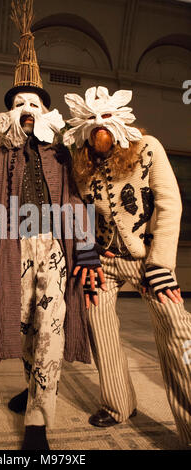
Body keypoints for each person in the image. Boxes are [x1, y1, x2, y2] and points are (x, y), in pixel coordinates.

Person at [0, 0, 107, 450]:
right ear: (11, 113)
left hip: (55, 248)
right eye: (19, 103)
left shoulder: (61, 152)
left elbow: (77, 200)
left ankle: (39, 423)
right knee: (22, 326)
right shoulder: (0, 155)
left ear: (45, 110)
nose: (26, 108)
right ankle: (35, 384)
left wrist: (85, 248)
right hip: (12, 246)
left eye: (33, 103)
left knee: (51, 327)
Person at [63, 85, 191, 447]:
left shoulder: (149, 149)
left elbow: (169, 205)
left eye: (106, 119)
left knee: (179, 333)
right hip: (104, 262)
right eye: (91, 121)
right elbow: (79, 213)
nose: (99, 127)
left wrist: (161, 263)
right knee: (100, 329)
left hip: (147, 259)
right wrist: (87, 256)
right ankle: (118, 404)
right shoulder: (81, 163)